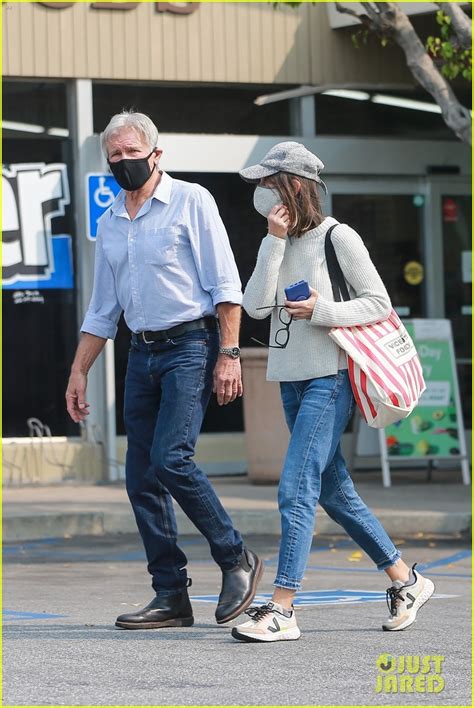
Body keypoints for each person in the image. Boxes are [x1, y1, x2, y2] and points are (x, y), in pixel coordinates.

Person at [66, 110, 262, 630]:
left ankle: (235, 557)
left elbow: (225, 285)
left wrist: (229, 354)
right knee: (140, 478)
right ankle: (171, 594)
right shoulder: (110, 222)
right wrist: (79, 371)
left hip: (190, 346)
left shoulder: (192, 201)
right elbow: (102, 311)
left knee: (172, 459)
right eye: (115, 155)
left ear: (156, 154)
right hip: (141, 353)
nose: (124, 162)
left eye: (133, 152)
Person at [232, 141, 434, 643]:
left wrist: (321, 310)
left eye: (267, 182)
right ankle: (405, 580)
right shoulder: (272, 240)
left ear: (293, 185)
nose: (259, 192)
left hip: (331, 375)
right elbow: (255, 306)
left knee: (295, 486)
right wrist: (274, 240)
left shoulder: (338, 237)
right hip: (290, 377)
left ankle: (282, 607)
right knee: (333, 490)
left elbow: (379, 304)